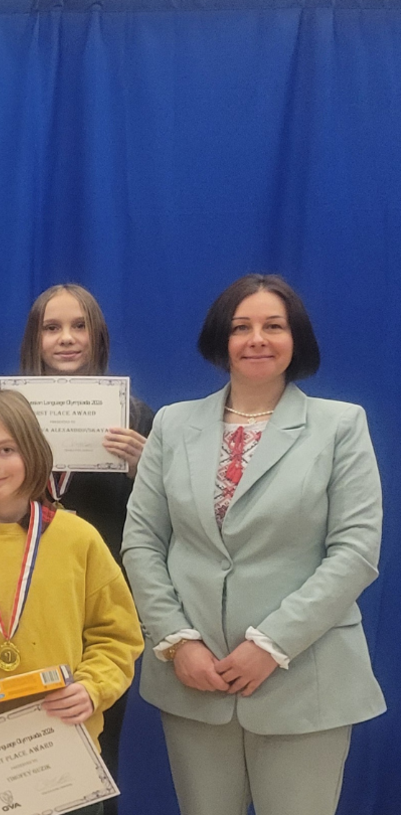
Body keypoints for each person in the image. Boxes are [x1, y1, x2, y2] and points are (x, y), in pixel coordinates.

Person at [121, 274, 383, 815]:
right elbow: (142, 541)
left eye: (273, 326)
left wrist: (271, 644)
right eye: (241, 327)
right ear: (221, 338)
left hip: (303, 679)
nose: (257, 339)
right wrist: (176, 641)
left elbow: (355, 550)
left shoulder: (340, 425)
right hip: (195, 680)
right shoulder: (172, 424)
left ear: (296, 338)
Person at [0, 390, 143, 815]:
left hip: (64, 743)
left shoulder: (79, 538)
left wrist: (92, 688)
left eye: (5, 450)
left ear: (33, 451)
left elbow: (118, 636)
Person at [16, 284, 154, 797]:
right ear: (34, 339)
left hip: (98, 610)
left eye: (80, 326)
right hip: (19, 605)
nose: (67, 338)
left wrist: (145, 470)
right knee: (18, 751)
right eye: (52, 328)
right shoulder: (7, 412)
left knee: (95, 751)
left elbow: (167, 519)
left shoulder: (134, 417)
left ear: (99, 337)